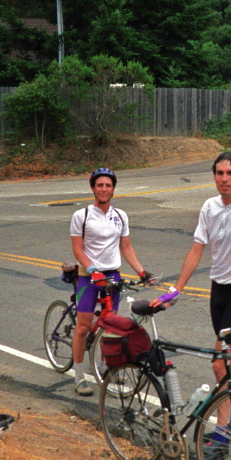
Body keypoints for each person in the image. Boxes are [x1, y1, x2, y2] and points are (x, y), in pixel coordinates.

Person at [150, 151, 231, 460]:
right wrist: (177, 288)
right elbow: (196, 250)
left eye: (230, 173)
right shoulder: (209, 208)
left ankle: (221, 435)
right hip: (218, 293)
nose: (224, 179)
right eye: (219, 173)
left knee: (221, 364)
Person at [70, 167, 151, 396]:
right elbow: (78, 250)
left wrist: (141, 271)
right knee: (83, 327)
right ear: (93, 188)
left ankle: (106, 368)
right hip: (89, 276)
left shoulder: (120, 216)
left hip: (112, 276)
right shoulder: (81, 216)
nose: (104, 189)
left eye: (108, 185)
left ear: (113, 189)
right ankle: (79, 376)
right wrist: (93, 270)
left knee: (109, 324)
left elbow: (126, 246)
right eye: (100, 185)